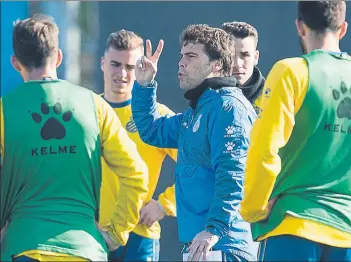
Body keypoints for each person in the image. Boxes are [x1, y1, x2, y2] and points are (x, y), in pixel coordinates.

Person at [240, 1, 351, 261]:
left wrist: (254, 208)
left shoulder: (290, 71)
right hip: (349, 231)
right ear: (343, 29)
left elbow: (264, 147)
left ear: (300, 27)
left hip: (293, 224)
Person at [0, 14, 149, 261]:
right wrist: (116, 233)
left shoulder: (4, 112)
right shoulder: (95, 106)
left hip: (22, 246)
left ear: (15, 62)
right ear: (58, 56)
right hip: (84, 248)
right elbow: (136, 174)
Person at [131, 24, 257, 261]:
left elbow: (234, 175)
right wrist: (145, 85)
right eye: (181, 56)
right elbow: (151, 131)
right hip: (204, 244)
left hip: (225, 244)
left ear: (216, 65)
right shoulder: (197, 112)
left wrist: (214, 229)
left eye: (191, 56)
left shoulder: (227, 108)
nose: (181, 63)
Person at [99, 29, 178, 261]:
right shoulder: (88, 111)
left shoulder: (156, 116)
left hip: (140, 234)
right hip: (95, 232)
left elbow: (197, 162)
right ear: (103, 63)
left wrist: (165, 205)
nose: (122, 73)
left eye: (131, 67)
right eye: (115, 64)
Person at [221, 21, 265, 115]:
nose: (237, 64)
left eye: (245, 55)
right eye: (230, 56)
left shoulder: (274, 97)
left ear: (256, 57)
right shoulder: (206, 98)